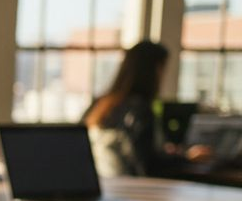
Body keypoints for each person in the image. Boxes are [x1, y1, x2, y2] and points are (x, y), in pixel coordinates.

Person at [83, 40, 210, 176]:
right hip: (132, 190)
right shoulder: (140, 110)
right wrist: (187, 157)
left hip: (103, 185)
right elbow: (147, 165)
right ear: (155, 70)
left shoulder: (99, 105)